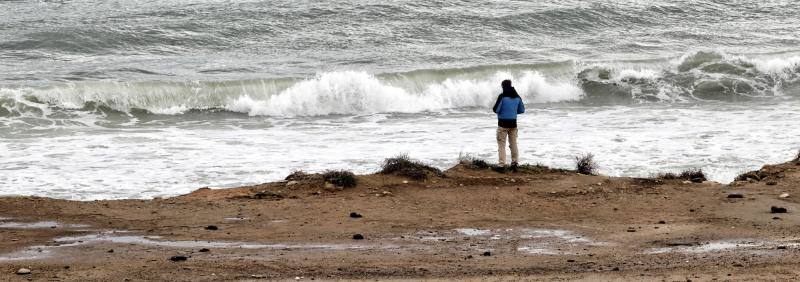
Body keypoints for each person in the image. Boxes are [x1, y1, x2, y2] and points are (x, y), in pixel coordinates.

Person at [492, 79, 525, 168]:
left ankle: (502, 164)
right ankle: (515, 163)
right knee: (513, 144)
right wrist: (512, 111)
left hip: (502, 124)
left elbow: (495, 110)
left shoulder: (502, 96)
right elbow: (522, 110)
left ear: (503, 87)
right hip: (513, 124)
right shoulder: (517, 97)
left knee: (502, 145)